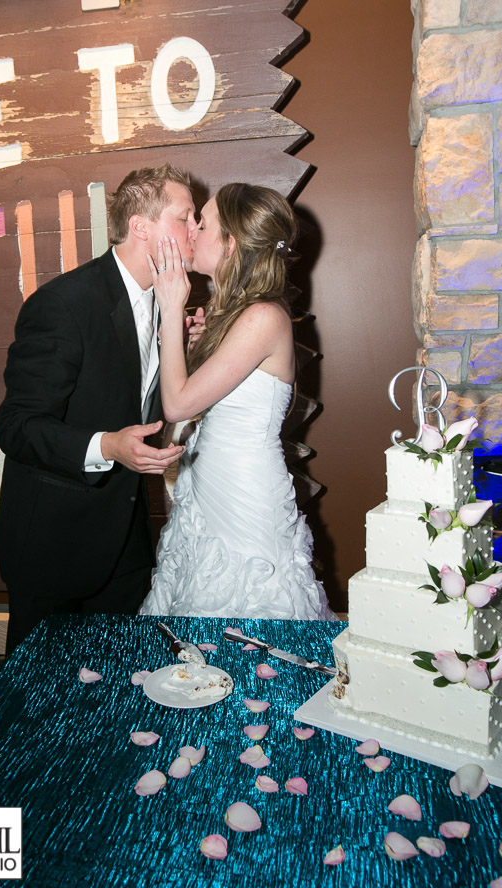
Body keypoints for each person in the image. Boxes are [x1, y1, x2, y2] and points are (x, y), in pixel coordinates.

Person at [0, 163, 200, 653]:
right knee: (39, 703)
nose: (196, 230)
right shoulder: (64, 304)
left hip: (124, 543)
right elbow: (16, 427)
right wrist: (106, 446)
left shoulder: (167, 302)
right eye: (185, 217)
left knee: (117, 693)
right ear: (141, 227)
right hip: (53, 544)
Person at [140, 183, 336, 620]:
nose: (190, 231)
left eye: (202, 223)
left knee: (245, 610)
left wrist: (171, 307)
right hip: (209, 486)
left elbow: (177, 406)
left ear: (230, 243)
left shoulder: (262, 316)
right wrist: (194, 346)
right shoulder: (231, 315)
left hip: (243, 492)